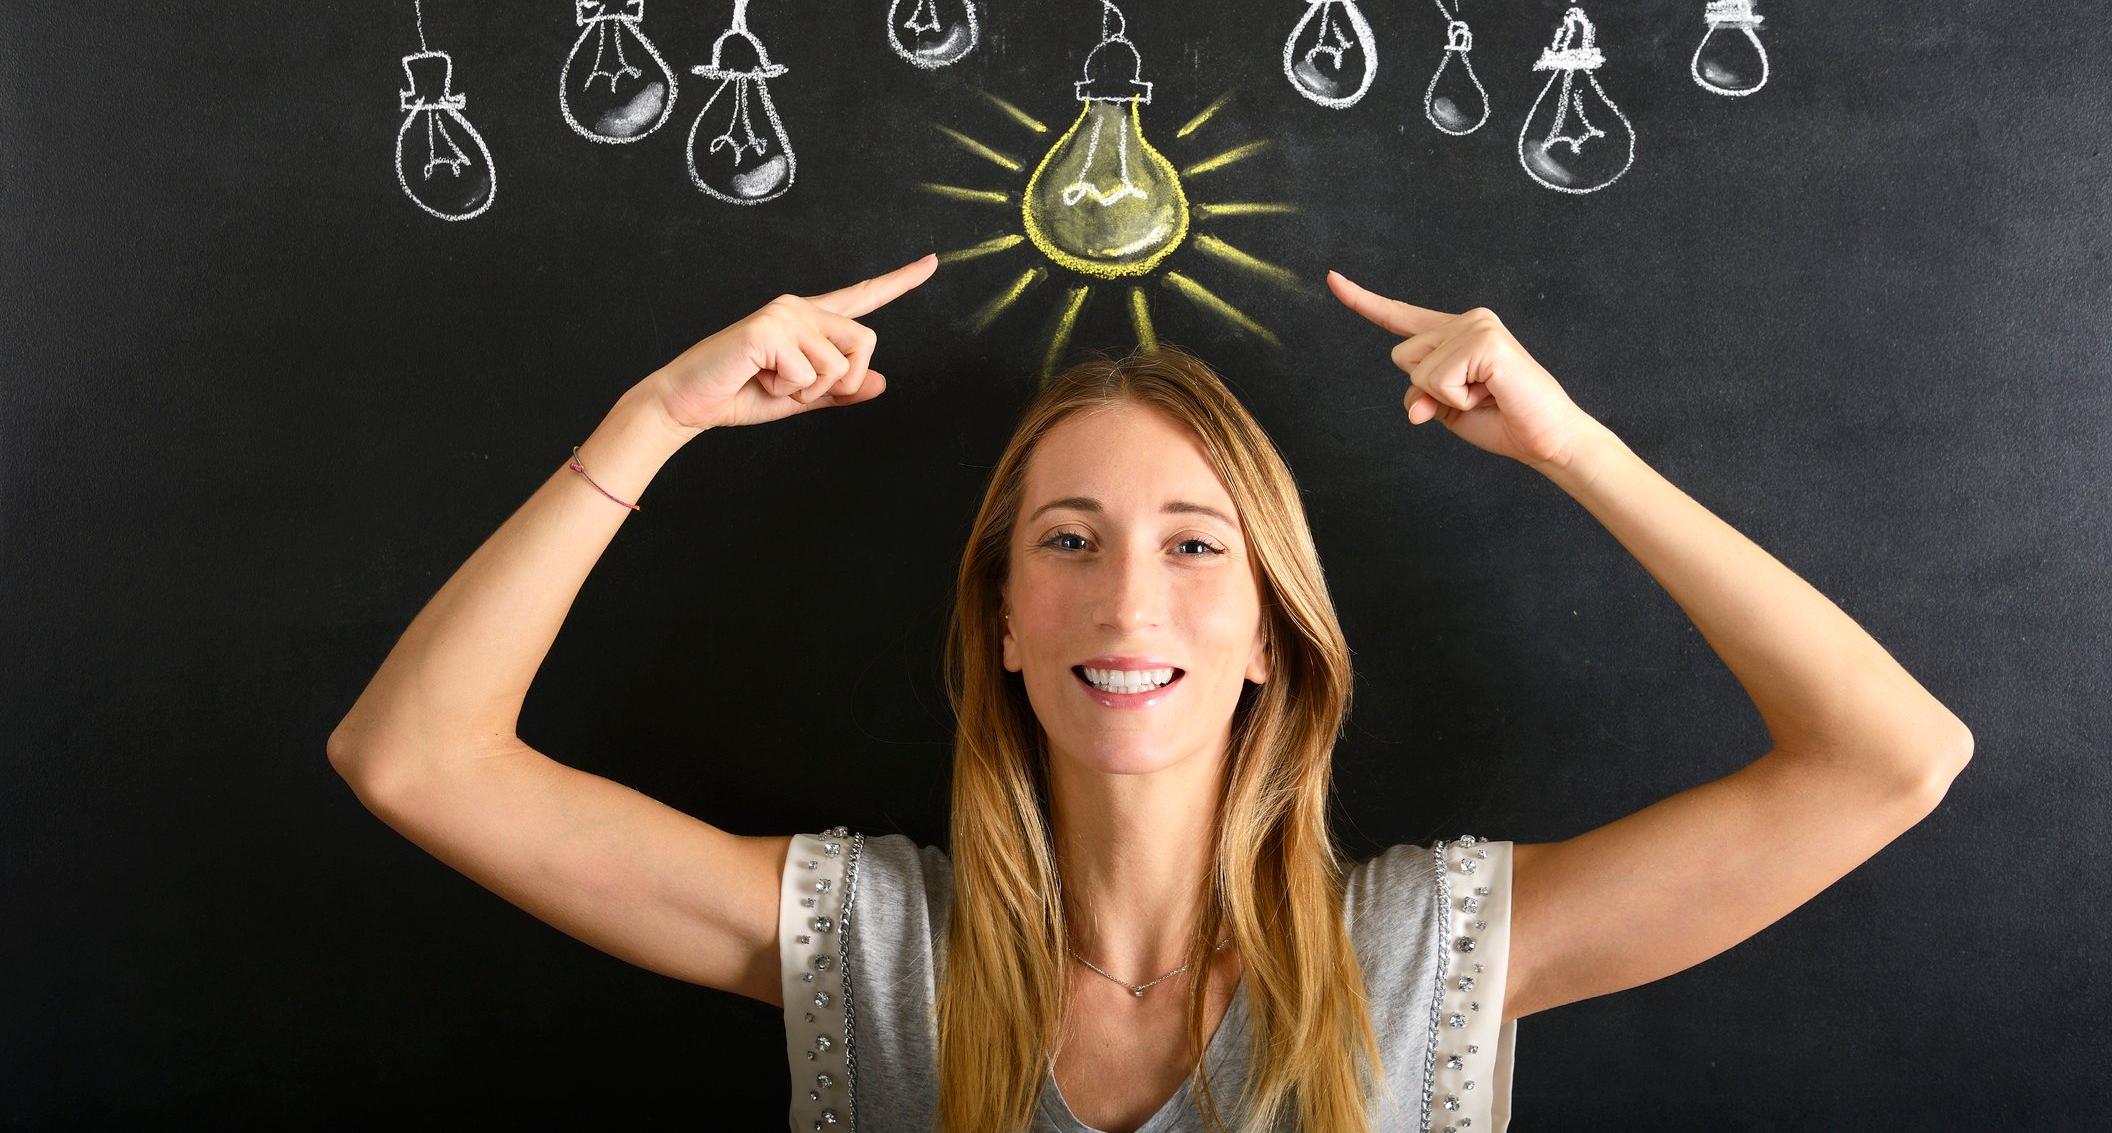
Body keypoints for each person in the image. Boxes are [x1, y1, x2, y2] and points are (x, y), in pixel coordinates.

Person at [327, 253, 1973, 1133]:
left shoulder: (1432, 958)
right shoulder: (863, 948)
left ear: (1272, 635)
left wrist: (1573, 448)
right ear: (1004, 626)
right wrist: (654, 422)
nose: (1129, 597)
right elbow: (415, 757)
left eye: (1197, 547)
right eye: (1068, 541)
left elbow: (1892, 759)